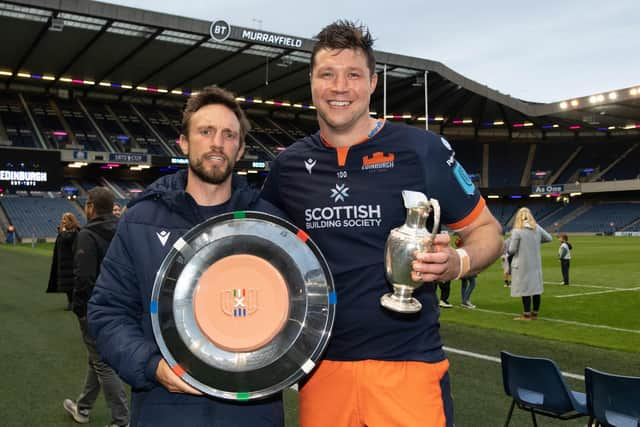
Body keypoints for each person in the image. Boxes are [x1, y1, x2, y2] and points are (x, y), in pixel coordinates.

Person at [260, 20, 504, 427]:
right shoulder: (286, 168)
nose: (340, 87)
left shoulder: (420, 149)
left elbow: (488, 232)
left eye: (353, 75)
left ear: (373, 83)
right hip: (322, 370)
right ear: (312, 83)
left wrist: (457, 263)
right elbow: (260, 246)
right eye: (328, 74)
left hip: (409, 367)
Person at [87, 86, 286, 426]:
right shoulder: (140, 221)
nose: (216, 143)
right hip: (165, 410)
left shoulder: (270, 225)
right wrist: (153, 366)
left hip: (251, 415)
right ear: (183, 142)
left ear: (239, 150)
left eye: (228, 135)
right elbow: (107, 312)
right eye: (205, 131)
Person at [64, 187, 130, 427]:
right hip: (122, 306)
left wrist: (80, 309)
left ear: (91, 206)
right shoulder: (123, 229)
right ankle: (82, 408)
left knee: (102, 363)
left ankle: (121, 420)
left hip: (96, 308)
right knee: (96, 360)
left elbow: (84, 278)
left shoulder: (87, 234)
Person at [508, 207, 552, 320]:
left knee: (525, 289)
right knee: (536, 288)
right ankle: (535, 313)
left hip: (522, 264)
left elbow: (512, 250)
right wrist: (535, 242)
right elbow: (549, 238)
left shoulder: (517, 231)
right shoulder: (537, 228)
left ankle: (526, 314)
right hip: (535, 263)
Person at [46, 212, 81, 310]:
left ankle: (74, 303)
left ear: (71, 221)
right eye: (63, 219)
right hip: (63, 262)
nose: (63, 221)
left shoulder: (75, 232)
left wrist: (63, 232)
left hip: (71, 262)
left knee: (72, 285)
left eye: (65, 219)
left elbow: (68, 239)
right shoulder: (63, 232)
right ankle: (70, 302)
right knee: (67, 285)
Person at [454, 234, 477, 309]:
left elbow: (457, 243)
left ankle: (464, 301)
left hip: (462, 262)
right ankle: (465, 301)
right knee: (472, 283)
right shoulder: (467, 240)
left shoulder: (460, 240)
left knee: (464, 283)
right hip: (467, 262)